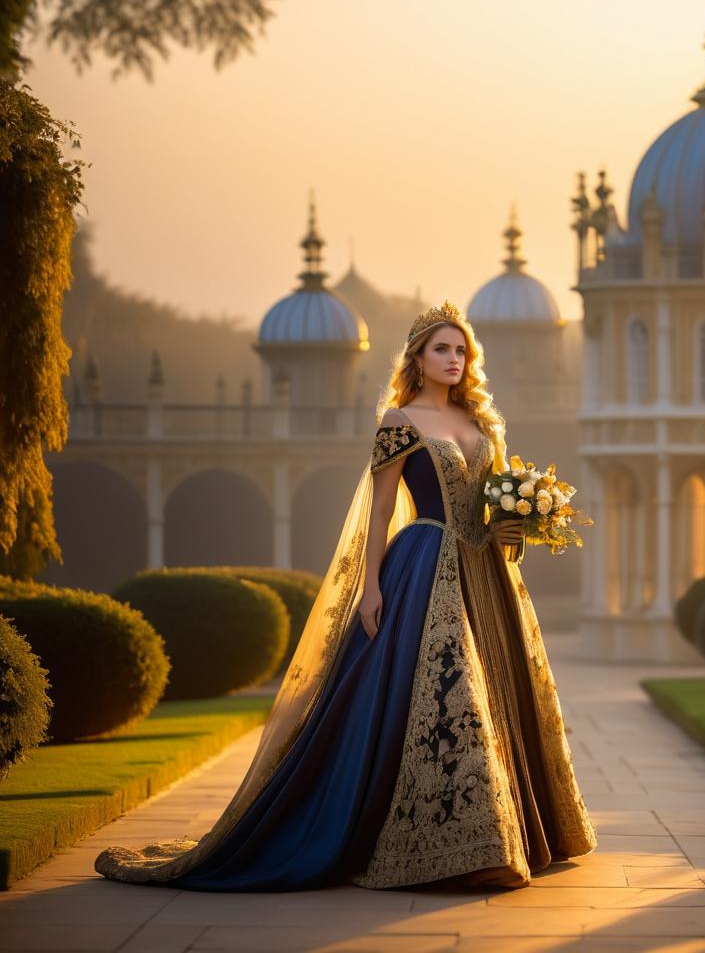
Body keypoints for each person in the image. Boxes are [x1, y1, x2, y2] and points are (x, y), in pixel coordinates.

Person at [94, 300, 597, 891]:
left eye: (461, 350)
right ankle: (460, 845)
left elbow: (492, 502)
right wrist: (370, 588)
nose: (454, 359)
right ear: (417, 357)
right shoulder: (398, 422)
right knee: (451, 695)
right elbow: (380, 512)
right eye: (441, 349)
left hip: (486, 571)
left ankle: (512, 833)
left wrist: (517, 527)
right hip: (425, 565)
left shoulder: (486, 425)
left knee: (499, 690)